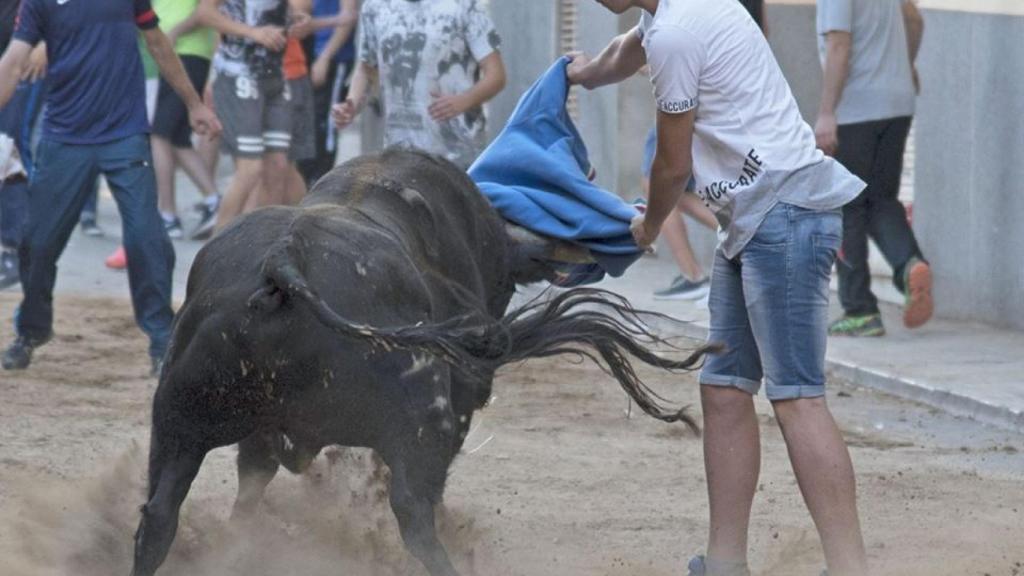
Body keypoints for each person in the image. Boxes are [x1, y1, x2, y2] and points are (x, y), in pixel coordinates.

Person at [569, 1, 869, 575]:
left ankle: (851, 568)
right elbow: (624, 50)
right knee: (726, 389)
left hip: (784, 211)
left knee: (797, 398)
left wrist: (649, 226)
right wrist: (578, 74)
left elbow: (672, 165)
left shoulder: (678, 33)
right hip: (752, 218)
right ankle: (726, 563)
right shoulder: (674, 13)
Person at [0, 0, 220, 375]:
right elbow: (13, 62)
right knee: (38, 244)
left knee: (145, 237)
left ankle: (162, 338)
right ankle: (32, 330)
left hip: (125, 135)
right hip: (64, 139)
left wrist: (194, 104)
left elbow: (158, 43)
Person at [816, 0, 931, 337]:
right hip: (898, 100)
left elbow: (839, 44)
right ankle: (909, 262)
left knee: (845, 204)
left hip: (856, 106)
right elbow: (913, 20)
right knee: (881, 198)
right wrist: (905, 65)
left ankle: (860, 309)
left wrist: (826, 111)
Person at [333, 0, 506, 171]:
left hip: (458, 156)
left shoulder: (466, 6)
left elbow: (496, 76)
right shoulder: (374, 7)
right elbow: (366, 70)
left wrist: (464, 101)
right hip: (399, 154)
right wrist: (352, 103)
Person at [197, 0, 295, 230]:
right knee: (250, 170)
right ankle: (215, 252)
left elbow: (298, 10)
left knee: (278, 167)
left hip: (275, 75)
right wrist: (253, 33)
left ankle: (259, 249)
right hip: (237, 75)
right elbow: (204, 12)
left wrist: (297, 22)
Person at [150, 0, 221, 241]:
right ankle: (212, 200)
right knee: (177, 138)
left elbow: (204, 12)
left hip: (185, 53)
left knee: (160, 135)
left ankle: (168, 214)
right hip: (174, 53)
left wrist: (173, 32)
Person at [642, 127, 718, 301]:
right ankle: (751, 235)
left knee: (657, 189)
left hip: (678, 111)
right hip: (690, 111)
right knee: (675, 194)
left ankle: (693, 276)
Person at [297, 0, 358, 185]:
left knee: (326, 126)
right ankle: (308, 180)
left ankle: (320, 180)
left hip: (335, 58)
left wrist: (325, 57)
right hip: (312, 53)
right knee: (310, 122)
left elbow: (349, 17)